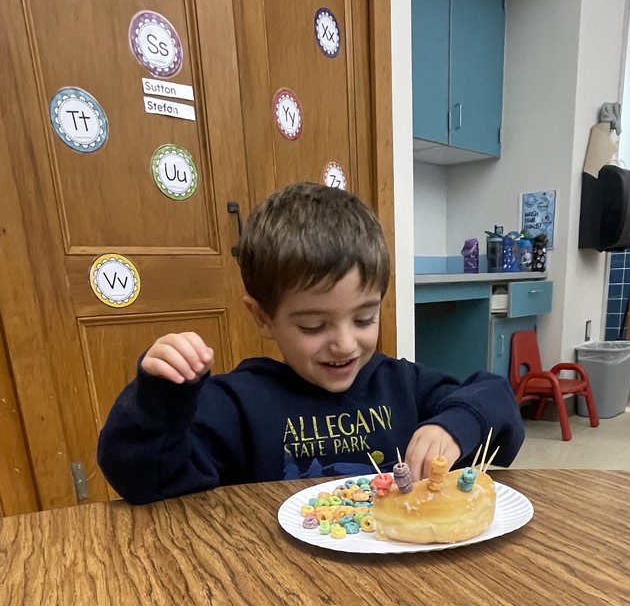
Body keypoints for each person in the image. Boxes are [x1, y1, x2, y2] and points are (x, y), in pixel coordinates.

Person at [97, 182, 525, 504]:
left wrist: (455, 425)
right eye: (314, 326)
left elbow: (497, 402)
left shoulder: (400, 385)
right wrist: (159, 399)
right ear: (263, 316)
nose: (344, 344)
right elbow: (144, 481)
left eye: (364, 318)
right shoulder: (236, 404)